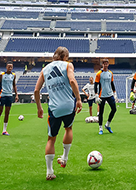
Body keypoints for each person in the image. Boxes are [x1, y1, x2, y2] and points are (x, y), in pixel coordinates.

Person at [34, 47, 82, 181]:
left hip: (54, 107)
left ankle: (49, 171)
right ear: (65, 56)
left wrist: (39, 108)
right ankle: (64, 158)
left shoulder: (45, 69)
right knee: (69, 128)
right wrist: (78, 99)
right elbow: (72, 81)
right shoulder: (68, 65)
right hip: (68, 105)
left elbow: (36, 90)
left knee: (51, 138)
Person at [0, 63, 19, 136]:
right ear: (6, 67)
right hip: (2, 95)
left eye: (11, 67)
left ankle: (4, 130)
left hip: (9, 95)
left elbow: (14, 85)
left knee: (7, 113)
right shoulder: (1, 75)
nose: (10, 68)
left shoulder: (13, 75)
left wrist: (16, 94)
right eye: (9, 67)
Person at [94, 59, 117, 135]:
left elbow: (112, 83)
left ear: (108, 64)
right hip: (102, 96)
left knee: (114, 109)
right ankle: (100, 128)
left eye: (106, 63)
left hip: (110, 94)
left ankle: (107, 124)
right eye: (104, 64)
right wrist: (96, 95)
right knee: (101, 112)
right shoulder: (99, 74)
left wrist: (114, 93)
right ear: (102, 65)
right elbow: (96, 84)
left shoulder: (110, 73)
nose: (105, 65)